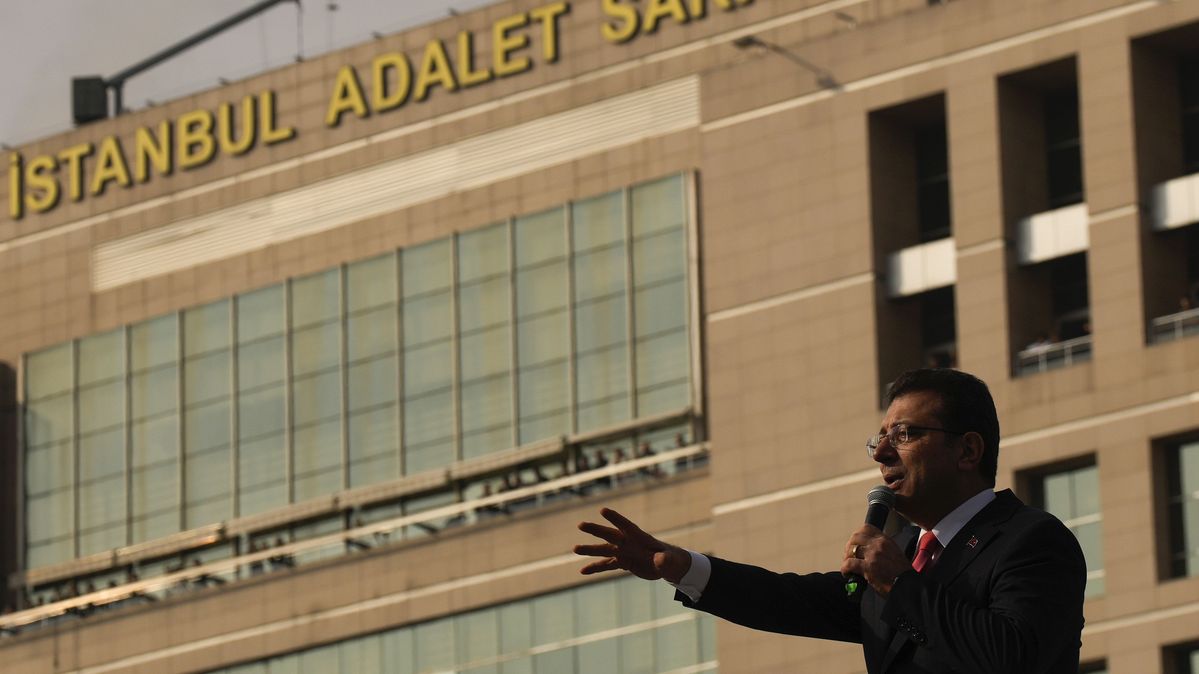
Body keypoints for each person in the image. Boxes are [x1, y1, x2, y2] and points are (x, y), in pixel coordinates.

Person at [573, 368, 1086, 674]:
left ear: (967, 450)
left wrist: (899, 584)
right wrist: (683, 566)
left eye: (904, 433)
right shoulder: (905, 553)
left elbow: (1013, 657)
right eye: (879, 438)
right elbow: (794, 602)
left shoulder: (1031, 540)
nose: (882, 453)